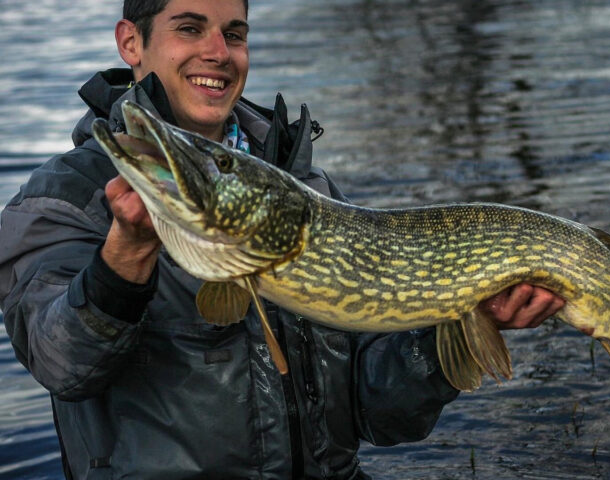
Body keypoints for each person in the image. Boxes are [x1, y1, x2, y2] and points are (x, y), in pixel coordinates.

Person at [0, 1, 565, 479]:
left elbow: (377, 413)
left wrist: (453, 334)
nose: (218, 52)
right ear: (131, 42)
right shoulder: (62, 199)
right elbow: (61, 365)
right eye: (190, 28)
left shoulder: (307, 191)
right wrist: (124, 257)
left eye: (235, 34)